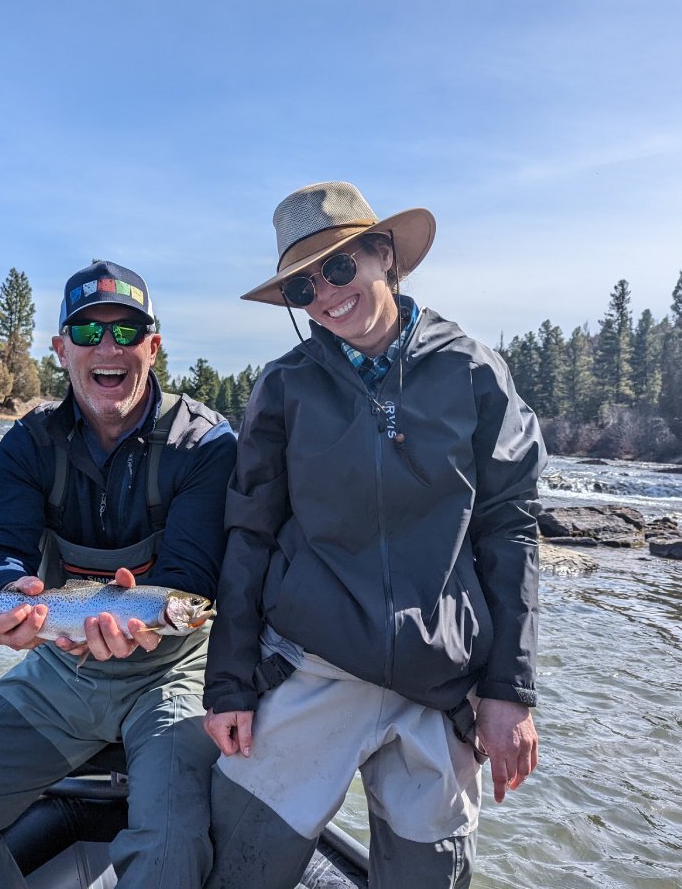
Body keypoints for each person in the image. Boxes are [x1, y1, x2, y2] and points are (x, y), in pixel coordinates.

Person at [202, 182, 546, 889]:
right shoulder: (282, 388)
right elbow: (248, 537)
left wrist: (509, 689)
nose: (325, 295)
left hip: (438, 689)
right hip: (307, 671)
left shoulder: (474, 372)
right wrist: (229, 684)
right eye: (302, 286)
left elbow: (509, 530)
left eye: (336, 268)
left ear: (383, 255)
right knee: (239, 874)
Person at [0, 260, 236, 888]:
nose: (109, 348)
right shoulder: (28, 443)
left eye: (128, 333)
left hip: (172, 669)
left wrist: (152, 620)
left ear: (153, 348)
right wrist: (2, 592)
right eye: (88, 331)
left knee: (169, 853)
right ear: (60, 348)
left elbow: (192, 576)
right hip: (63, 663)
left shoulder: (205, 444)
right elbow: (1, 549)